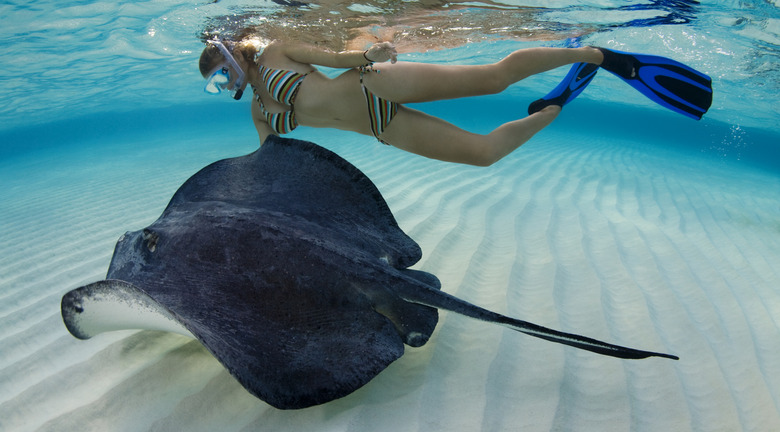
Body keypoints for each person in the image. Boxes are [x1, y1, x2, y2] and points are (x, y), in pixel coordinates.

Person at [199, 38, 712, 166]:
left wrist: (367, 54)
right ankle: (556, 105)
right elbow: (266, 164)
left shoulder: (274, 53)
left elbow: (334, 55)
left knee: (493, 79)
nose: (225, 86)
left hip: (373, 85)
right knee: (484, 154)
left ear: (229, 56)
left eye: (220, 75)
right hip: (381, 127)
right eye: (215, 86)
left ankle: (596, 54)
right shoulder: (259, 112)